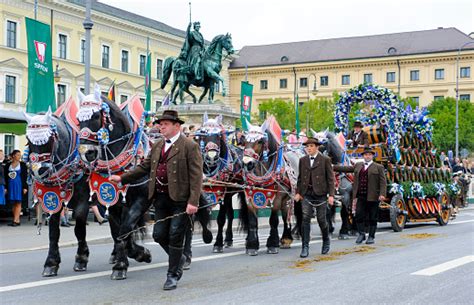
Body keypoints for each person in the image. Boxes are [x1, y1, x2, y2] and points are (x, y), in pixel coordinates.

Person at [109, 110, 203, 290]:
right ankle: (179, 258)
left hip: (180, 200)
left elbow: (196, 176)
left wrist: (193, 202)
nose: (161, 126)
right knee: (159, 235)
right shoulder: (158, 145)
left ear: (177, 126)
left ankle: (172, 275)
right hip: (160, 199)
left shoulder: (189, 146)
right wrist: (122, 178)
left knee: (175, 236)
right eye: (160, 124)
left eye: (165, 124)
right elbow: (144, 167)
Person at [333, 146, 387, 244]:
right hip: (360, 196)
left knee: (372, 217)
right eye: (366, 155)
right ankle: (361, 234)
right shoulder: (358, 165)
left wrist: (382, 194)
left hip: (373, 196)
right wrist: (332, 167)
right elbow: (347, 168)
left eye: (369, 155)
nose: (367, 156)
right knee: (358, 215)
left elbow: (383, 182)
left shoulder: (378, 167)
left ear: (372, 156)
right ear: (363, 156)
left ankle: (371, 236)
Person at [294, 137, 335, 257]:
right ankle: (305, 246)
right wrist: (298, 192)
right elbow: (300, 179)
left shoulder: (325, 160)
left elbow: (330, 179)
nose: (309, 148)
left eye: (311, 146)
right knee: (305, 219)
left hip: (321, 194)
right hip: (307, 194)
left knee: (321, 220)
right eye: (307, 146)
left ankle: (326, 240)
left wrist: (331, 195)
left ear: (317, 147)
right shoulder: (302, 160)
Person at [4, 150, 28, 226]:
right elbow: (5, 177)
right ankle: (17, 220)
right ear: (13, 156)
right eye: (18, 155)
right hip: (11, 185)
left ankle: (15, 220)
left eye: (20, 155)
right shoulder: (8, 165)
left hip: (19, 185)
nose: (19, 156)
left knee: (18, 202)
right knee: (13, 203)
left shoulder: (22, 165)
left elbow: (25, 176)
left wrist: (25, 187)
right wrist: (6, 187)